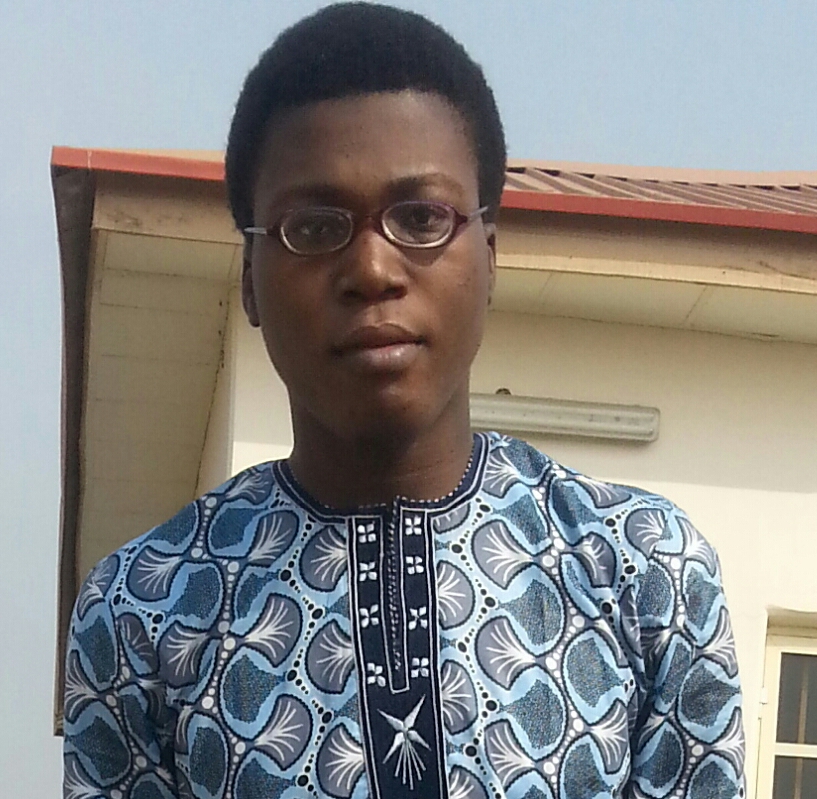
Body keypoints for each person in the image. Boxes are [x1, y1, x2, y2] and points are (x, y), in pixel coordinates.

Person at [63, 4, 746, 798]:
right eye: (312, 227)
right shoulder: (143, 611)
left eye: (420, 218)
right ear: (249, 278)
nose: (372, 269)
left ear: (488, 258)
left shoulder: (643, 570)